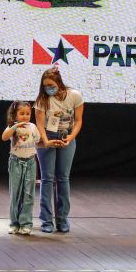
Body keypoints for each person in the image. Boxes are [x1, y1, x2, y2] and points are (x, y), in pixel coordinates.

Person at [34, 67, 84, 233]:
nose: (48, 88)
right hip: (47, 136)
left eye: (50, 85)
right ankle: (46, 221)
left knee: (63, 178)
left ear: (59, 83)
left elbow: (78, 121)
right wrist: (46, 141)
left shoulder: (75, 95)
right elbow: (39, 124)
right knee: (47, 179)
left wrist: (70, 138)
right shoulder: (42, 100)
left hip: (66, 136)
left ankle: (62, 220)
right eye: (45, 86)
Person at [1, 101, 40, 235]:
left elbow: (37, 140)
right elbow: (4, 137)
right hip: (16, 162)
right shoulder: (13, 127)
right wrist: (15, 125)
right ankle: (14, 223)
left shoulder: (33, 127)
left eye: (28, 114)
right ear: (15, 114)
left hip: (30, 162)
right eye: (21, 113)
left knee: (28, 194)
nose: (25, 116)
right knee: (15, 193)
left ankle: (26, 223)